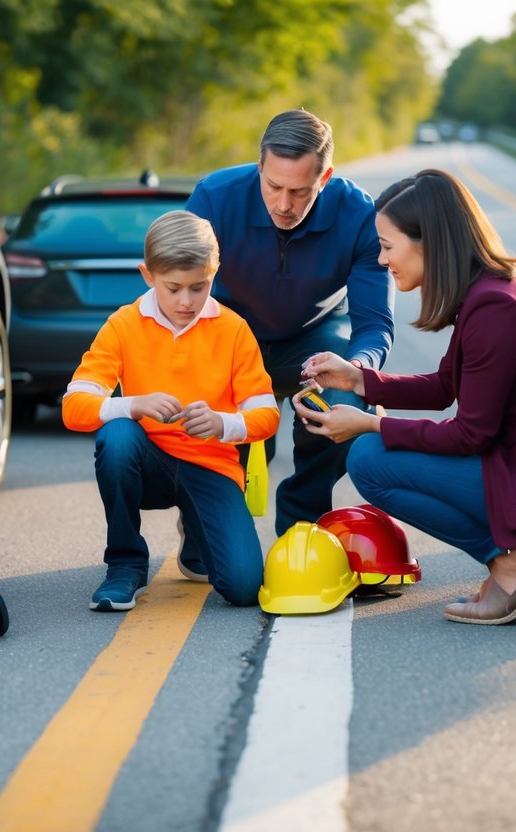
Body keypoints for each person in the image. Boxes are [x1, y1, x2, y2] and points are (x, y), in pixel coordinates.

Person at [292, 169, 516, 625]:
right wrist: (358, 380)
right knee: (375, 449)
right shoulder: (491, 291)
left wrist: (369, 423)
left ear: (430, 243)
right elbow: (445, 388)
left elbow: (471, 434)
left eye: (388, 245)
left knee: (369, 460)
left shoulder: (496, 306)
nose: (381, 260)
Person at [184, 108, 394, 556]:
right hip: (232, 335)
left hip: (316, 337)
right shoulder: (214, 198)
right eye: (273, 186)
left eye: (300, 191)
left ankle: (302, 525)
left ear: (327, 176)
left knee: (347, 397)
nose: (283, 204)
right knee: (224, 435)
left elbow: (374, 324)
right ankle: (209, 519)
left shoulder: (360, 215)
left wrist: (358, 369)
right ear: (259, 166)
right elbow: (176, 298)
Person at [62, 211, 280, 611]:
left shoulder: (233, 329)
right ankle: (125, 565)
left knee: (245, 588)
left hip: (211, 467)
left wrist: (222, 423)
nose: (186, 301)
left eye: (199, 287)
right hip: (148, 465)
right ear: (148, 275)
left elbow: (267, 415)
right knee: (118, 434)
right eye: (173, 288)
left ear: (215, 271)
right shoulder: (123, 325)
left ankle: (196, 536)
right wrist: (133, 405)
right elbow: (74, 407)